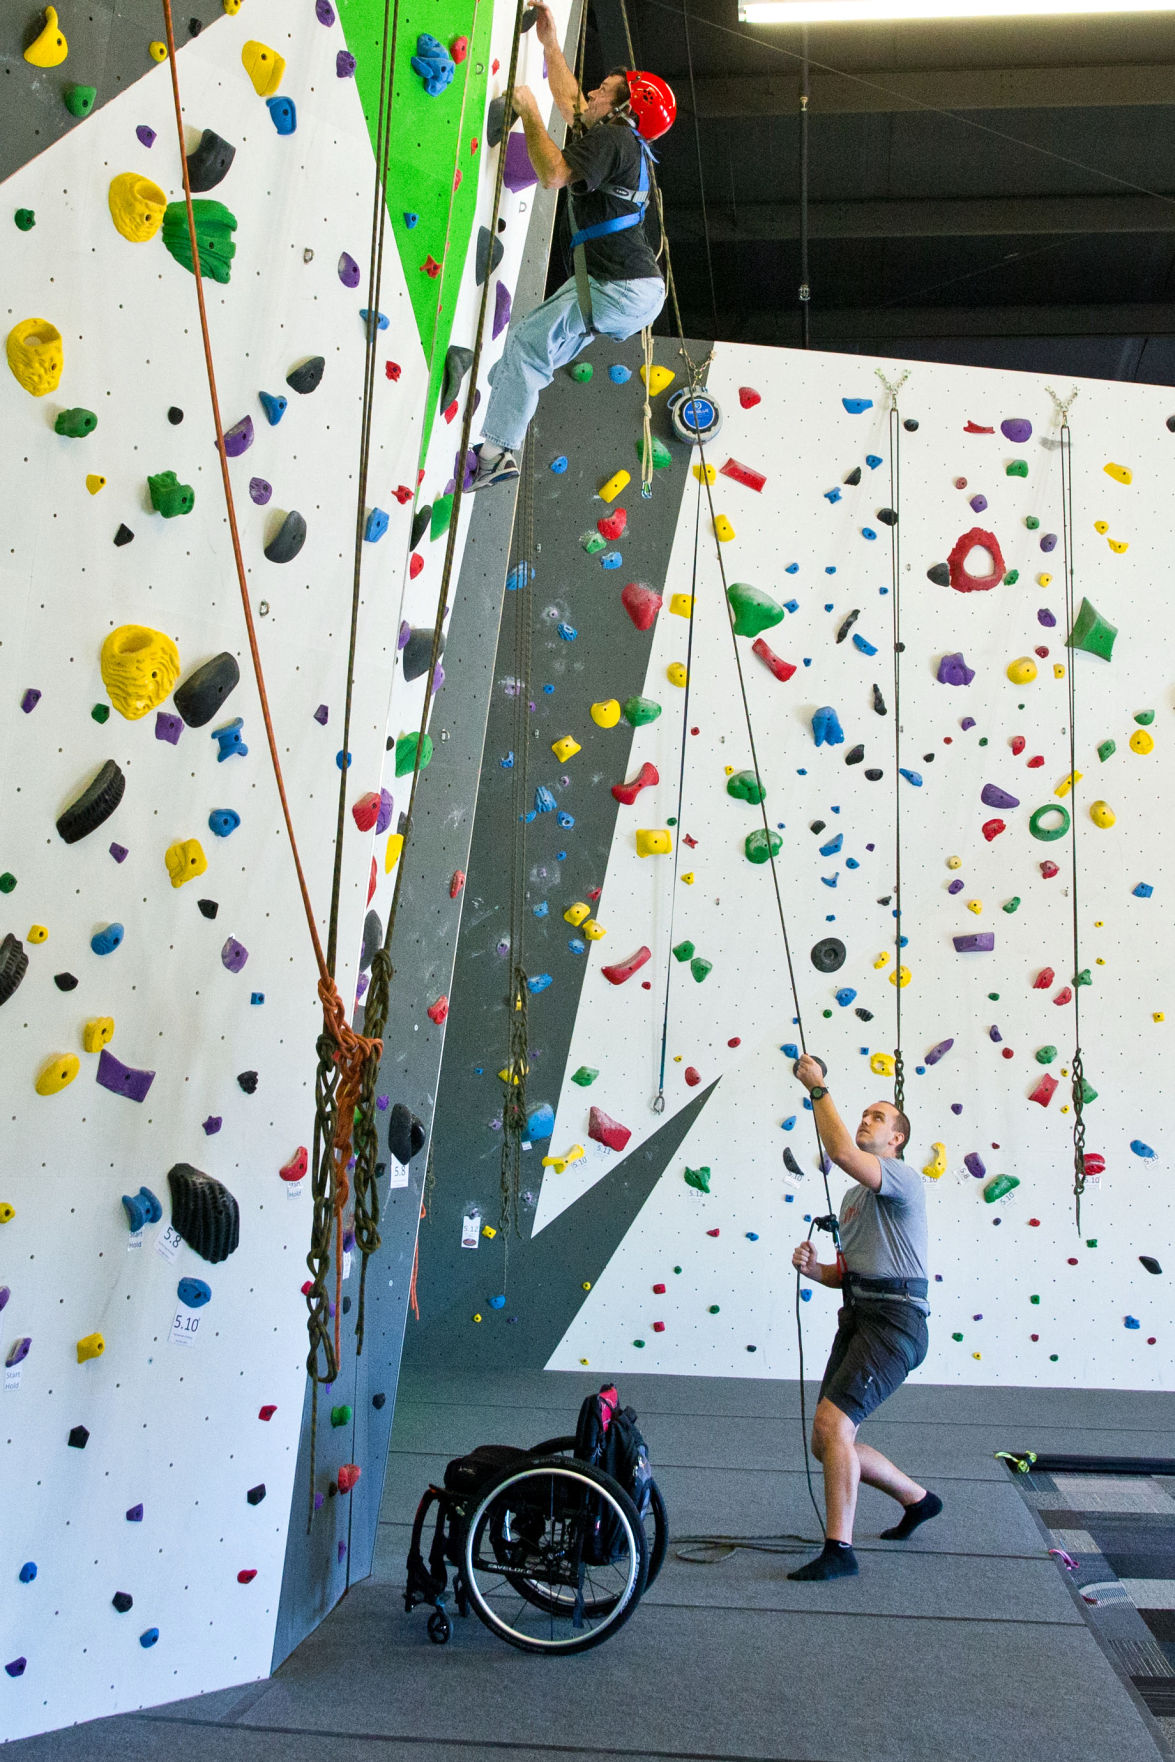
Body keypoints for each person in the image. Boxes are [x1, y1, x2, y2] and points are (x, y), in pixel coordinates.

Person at [469, 2, 674, 490]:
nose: (594, 93)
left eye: (606, 90)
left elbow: (554, 174)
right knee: (525, 358)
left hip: (616, 285)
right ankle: (497, 434)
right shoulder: (625, 147)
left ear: (626, 109)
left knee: (526, 346)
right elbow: (573, 105)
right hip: (623, 289)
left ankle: (496, 454)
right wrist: (549, 43)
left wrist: (529, 111)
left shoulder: (617, 141)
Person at [787, 1055, 941, 1581]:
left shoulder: (902, 1178)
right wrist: (815, 1270)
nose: (866, 1120)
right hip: (859, 1316)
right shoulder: (854, 1199)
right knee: (826, 1440)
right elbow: (849, 1273)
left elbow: (840, 1152)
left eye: (878, 1118)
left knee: (835, 1426)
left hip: (896, 1321)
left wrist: (817, 1087)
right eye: (865, 1114)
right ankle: (918, 1500)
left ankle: (840, 1550)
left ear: (896, 1140)